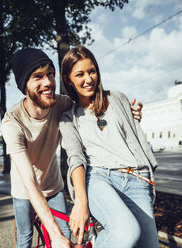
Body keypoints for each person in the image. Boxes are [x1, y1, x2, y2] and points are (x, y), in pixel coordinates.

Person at [1, 47, 143, 248]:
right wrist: (54, 234)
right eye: (38, 77)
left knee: (67, 234)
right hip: (25, 190)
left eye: (50, 74)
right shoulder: (12, 123)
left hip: (54, 185)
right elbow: (30, 182)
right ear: (24, 86)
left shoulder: (62, 104)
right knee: (25, 238)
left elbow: (92, 105)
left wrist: (127, 111)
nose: (48, 82)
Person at [59, 45, 159, 248]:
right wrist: (80, 200)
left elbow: (130, 135)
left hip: (136, 179)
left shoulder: (117, 99)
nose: (88, 79)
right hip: (98, 178)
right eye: (80, 74)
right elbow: (75, 158)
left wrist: (135, 116)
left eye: (92, 71)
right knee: (125, 232)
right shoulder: (68, 117)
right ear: (69, 79)